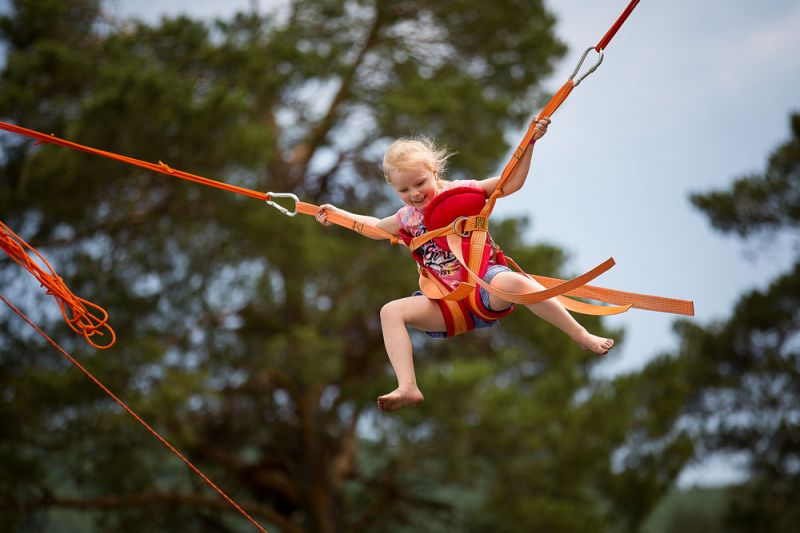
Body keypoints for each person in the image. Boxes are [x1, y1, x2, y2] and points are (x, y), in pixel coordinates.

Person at [316, 117, 613, 412]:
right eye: (403, 191)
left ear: (434, 171)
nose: (414, 194)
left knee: (518, 283)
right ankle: (408, 386)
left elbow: (510, 183)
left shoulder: (460, 193)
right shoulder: (408, 217)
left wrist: (530, 141)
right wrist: (338, 215)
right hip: (446, 303)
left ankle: (580, 335)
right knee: (390, 312)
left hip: (483, 285)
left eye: (420, 183)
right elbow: (375, 227)